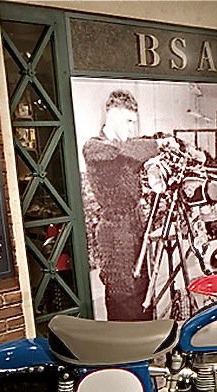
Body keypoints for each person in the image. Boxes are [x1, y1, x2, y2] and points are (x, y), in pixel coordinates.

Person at [82, 89, 172, 321]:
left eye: (135, 122)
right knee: (123, 300)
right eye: (128, 121)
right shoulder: (95, 147)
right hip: (114, 234)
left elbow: (132, 147)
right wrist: (158, 144)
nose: (132, 128)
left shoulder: (127, 146)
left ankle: (146, 351)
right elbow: (121, 152)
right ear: (111, 116)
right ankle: (126, 355)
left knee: (144, 294)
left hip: (135, 227)